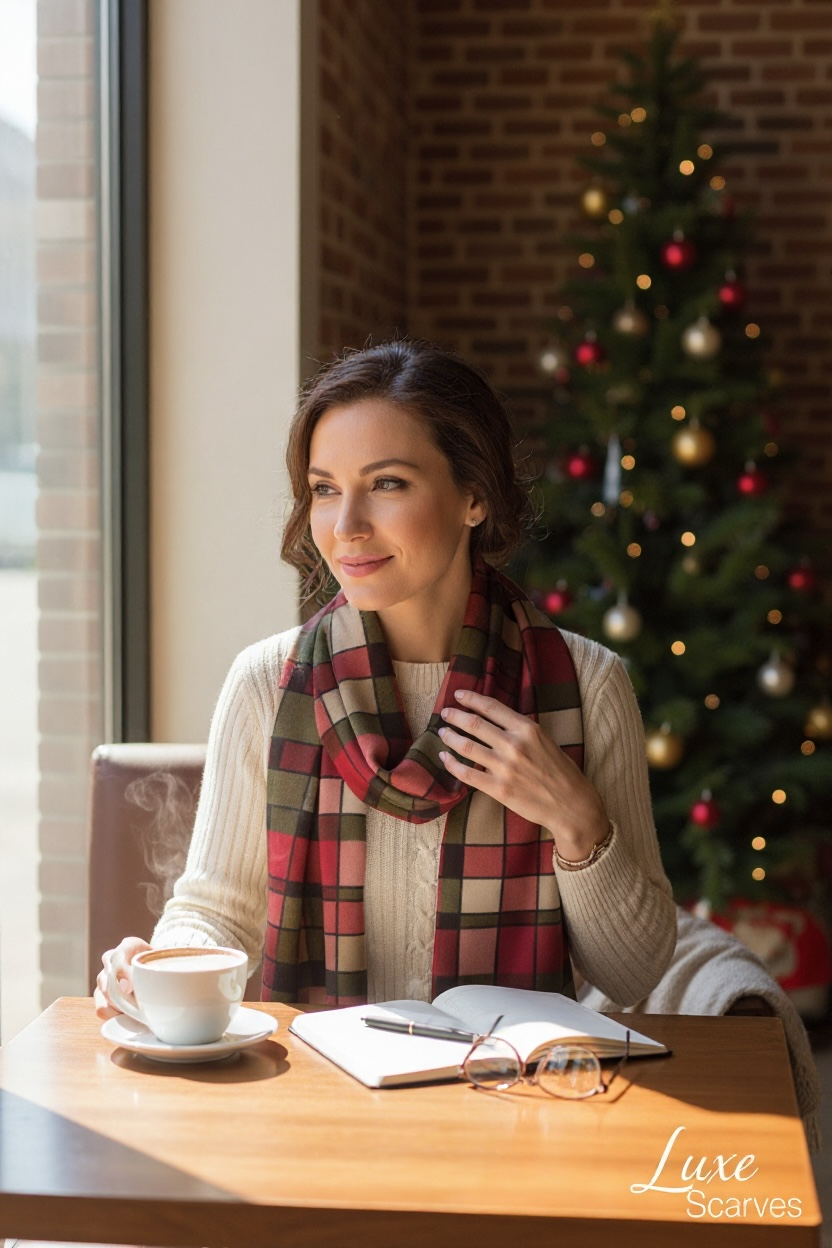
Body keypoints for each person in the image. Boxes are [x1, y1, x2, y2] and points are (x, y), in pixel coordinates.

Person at [95, 339, 676, 1019]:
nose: (345, 527)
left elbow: (633, 972)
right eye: (324, 490)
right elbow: (217, 914)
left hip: (511, 1099)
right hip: (323, 1101)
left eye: (388, 484)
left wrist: (578, 823)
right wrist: (162, 965)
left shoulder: (585, 685)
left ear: (474, 497)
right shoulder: (266, 683)